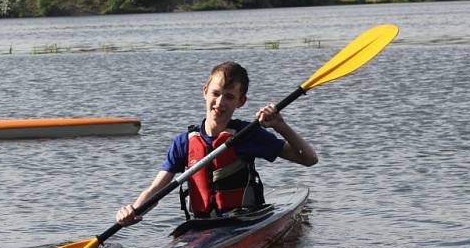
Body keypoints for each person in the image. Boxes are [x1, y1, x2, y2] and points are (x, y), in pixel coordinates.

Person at [115, 60, 318, 226]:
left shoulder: (247, 134)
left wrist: (280, 125)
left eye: (229, 97)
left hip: (244, 222)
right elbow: (155, 190)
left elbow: (309, 159)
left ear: (241, 102)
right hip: (201, 226)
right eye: (216, 93)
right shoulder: (183, 143)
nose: (220, 103)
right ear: (205, 91)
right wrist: (133, 211)